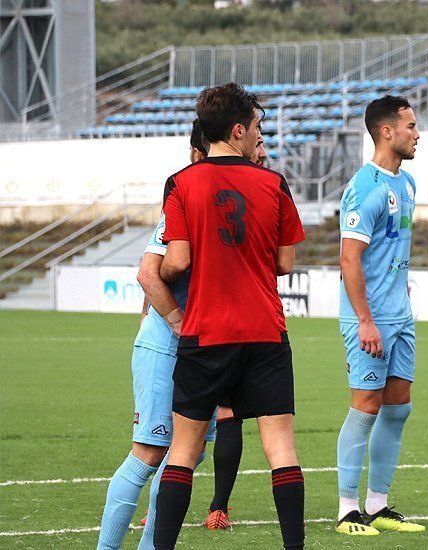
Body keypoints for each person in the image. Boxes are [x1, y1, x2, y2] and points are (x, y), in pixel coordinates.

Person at [152, 82, 306, 549]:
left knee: (183, 449)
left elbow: (176, 261)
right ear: (238, 130)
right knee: (280, 448)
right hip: (263, 330)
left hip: (206, 330)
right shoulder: (274, 183)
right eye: (257, 126)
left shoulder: (181, 182)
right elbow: (284, 264)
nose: (259, 134)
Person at [96, 119, 216, 550]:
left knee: (188, 455)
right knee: (150, 453)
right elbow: (150, 273)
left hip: (202, 351)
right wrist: (179, 323)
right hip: (169, 346)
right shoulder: (183, 199)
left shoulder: (220, 200)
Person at [335, 95, 424, 536]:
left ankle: (378, 504)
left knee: (398, 409)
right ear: (386, 131)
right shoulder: (364, 187)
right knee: (365, 407)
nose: (416, 133)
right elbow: (349, 260)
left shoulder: (406, 185)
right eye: (410, 126)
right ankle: (347, 509)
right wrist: (366, 320)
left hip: (400, 317)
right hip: (368, 320)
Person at [203, 125, 270, 531]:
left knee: (222, 416)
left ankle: (216, 506)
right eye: (258, 141)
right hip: (237, 321)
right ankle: (167, 503)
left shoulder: (261, 185)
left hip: (230, 322)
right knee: (194, 425)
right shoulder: (263, 187)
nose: (262, 150)